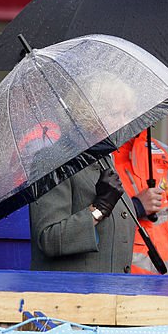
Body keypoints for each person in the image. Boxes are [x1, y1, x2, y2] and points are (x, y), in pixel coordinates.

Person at [29, 73, 139, 273]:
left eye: (127, 114)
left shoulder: (105, 157)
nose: (125, 122)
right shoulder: (53, 160)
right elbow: (50, 239)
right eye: (115, 114)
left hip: (111, 296)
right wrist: (99, 209)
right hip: (72, 296)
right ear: (87, 115)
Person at [30, 162, 135, 273]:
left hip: (112, 287)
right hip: (71, 288)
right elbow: (49, 239)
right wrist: (100, 209)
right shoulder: (51, 163)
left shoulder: (104, 161)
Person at [111, 132, 168, 275]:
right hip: (126, 279)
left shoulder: (163, 151)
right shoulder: (98, 157)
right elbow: (92, 219)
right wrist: (136, 207)